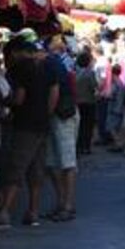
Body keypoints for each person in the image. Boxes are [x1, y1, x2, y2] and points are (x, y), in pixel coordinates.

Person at [0, 38, 52, 229]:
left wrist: (4, 102)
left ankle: (4, 213)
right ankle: (32, 213)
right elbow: (52, 93)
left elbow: (19, 98)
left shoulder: (20, 69)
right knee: (35, 169)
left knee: (16, 167)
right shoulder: (44, 67)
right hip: (42, 123)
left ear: (15, 53)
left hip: (25, 124)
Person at [45, 38, 81, 221]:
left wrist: (47, 113)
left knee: (67, 161)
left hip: (63, 114)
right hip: (62, 114)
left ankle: (67, 204)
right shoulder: (56, 61)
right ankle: (62, 202)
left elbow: (55, 90)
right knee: (51, 162)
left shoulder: (53, 63)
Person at [74, 51, 101, 156]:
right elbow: (94, 86)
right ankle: (86, 146)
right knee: (88, 125)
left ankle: (79, 145)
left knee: (80, 125)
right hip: (89, 102)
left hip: (78, 101)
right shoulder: (90, 73)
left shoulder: (75, 72)